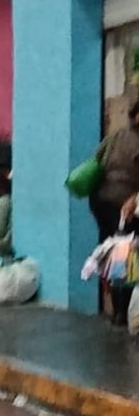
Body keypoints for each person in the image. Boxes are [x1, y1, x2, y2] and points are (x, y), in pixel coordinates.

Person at [92, 102, 139, 324]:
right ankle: (123, 310)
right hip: (124, 208)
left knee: (115, 257)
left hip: (101, 203)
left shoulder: (115, 135)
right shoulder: (135, 140)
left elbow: (96, 160)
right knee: (126, 258)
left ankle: (118, 310)